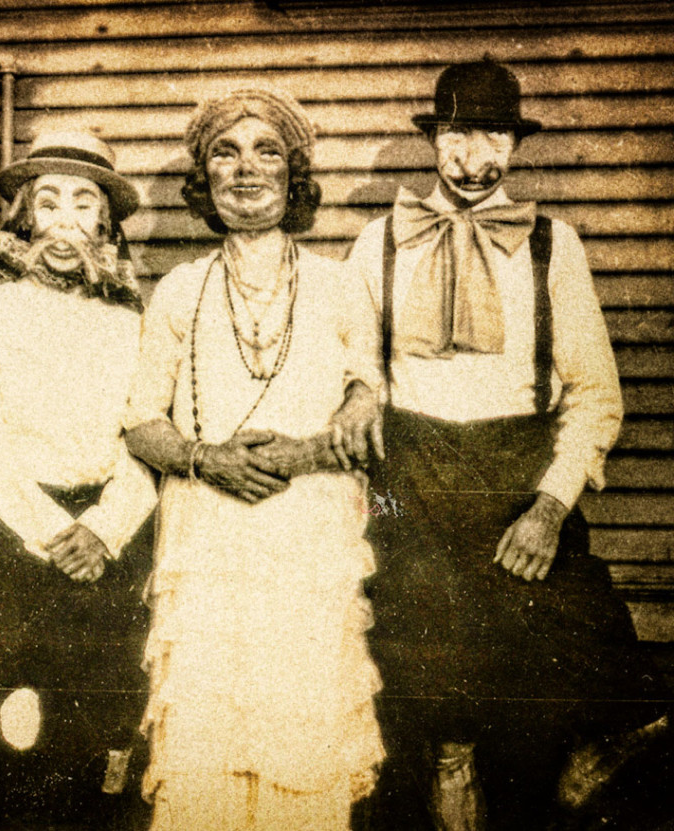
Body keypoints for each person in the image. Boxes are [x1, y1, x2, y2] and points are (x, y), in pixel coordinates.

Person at [348, 59, 671, 830]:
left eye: (493, 136)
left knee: (578, 627)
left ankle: (585, 750)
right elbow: (354, 360)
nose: (473, 158)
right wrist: (359, 388)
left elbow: (596, 394)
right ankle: (450, 761)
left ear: (515, 145)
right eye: (457, 136)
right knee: (423, 618)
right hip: (413, 476)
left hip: (520, 479)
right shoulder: (378, 242)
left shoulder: (555, 246)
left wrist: (551, 507)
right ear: (434, 140)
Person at [123, 88, 386, 831]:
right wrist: (206, 459)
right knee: (203, 756)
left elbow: (369, 399)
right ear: (203, 178)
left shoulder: (340, 285)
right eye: (225, 153)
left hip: (307, 542)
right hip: (206, 542)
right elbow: (140, 422)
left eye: (267, 151)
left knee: (301, 749)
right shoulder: (180, 290)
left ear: (294, 173)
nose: (245, 170)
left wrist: (343, 416)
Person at [0, 131, 158, 829]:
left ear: (106, 223)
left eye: (84, 204)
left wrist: (103, 529)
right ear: (26, 218)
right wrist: (56, 533)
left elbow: (147, 437)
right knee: (16, 750)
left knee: (104, 748)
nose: (66, 223)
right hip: (15, 552)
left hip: (109, 556)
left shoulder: (131, 320)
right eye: (49, 203)